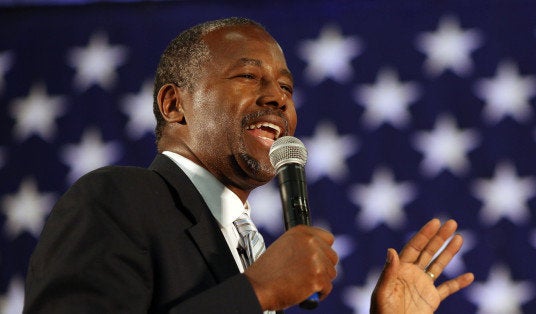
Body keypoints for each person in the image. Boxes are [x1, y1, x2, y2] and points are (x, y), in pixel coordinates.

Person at [23, 17, 473, 313]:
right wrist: (257, 291)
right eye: (247, 76)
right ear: (175, 105)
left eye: (286, 87)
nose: (278, 97)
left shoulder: (252, 248)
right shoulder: (117, 200)